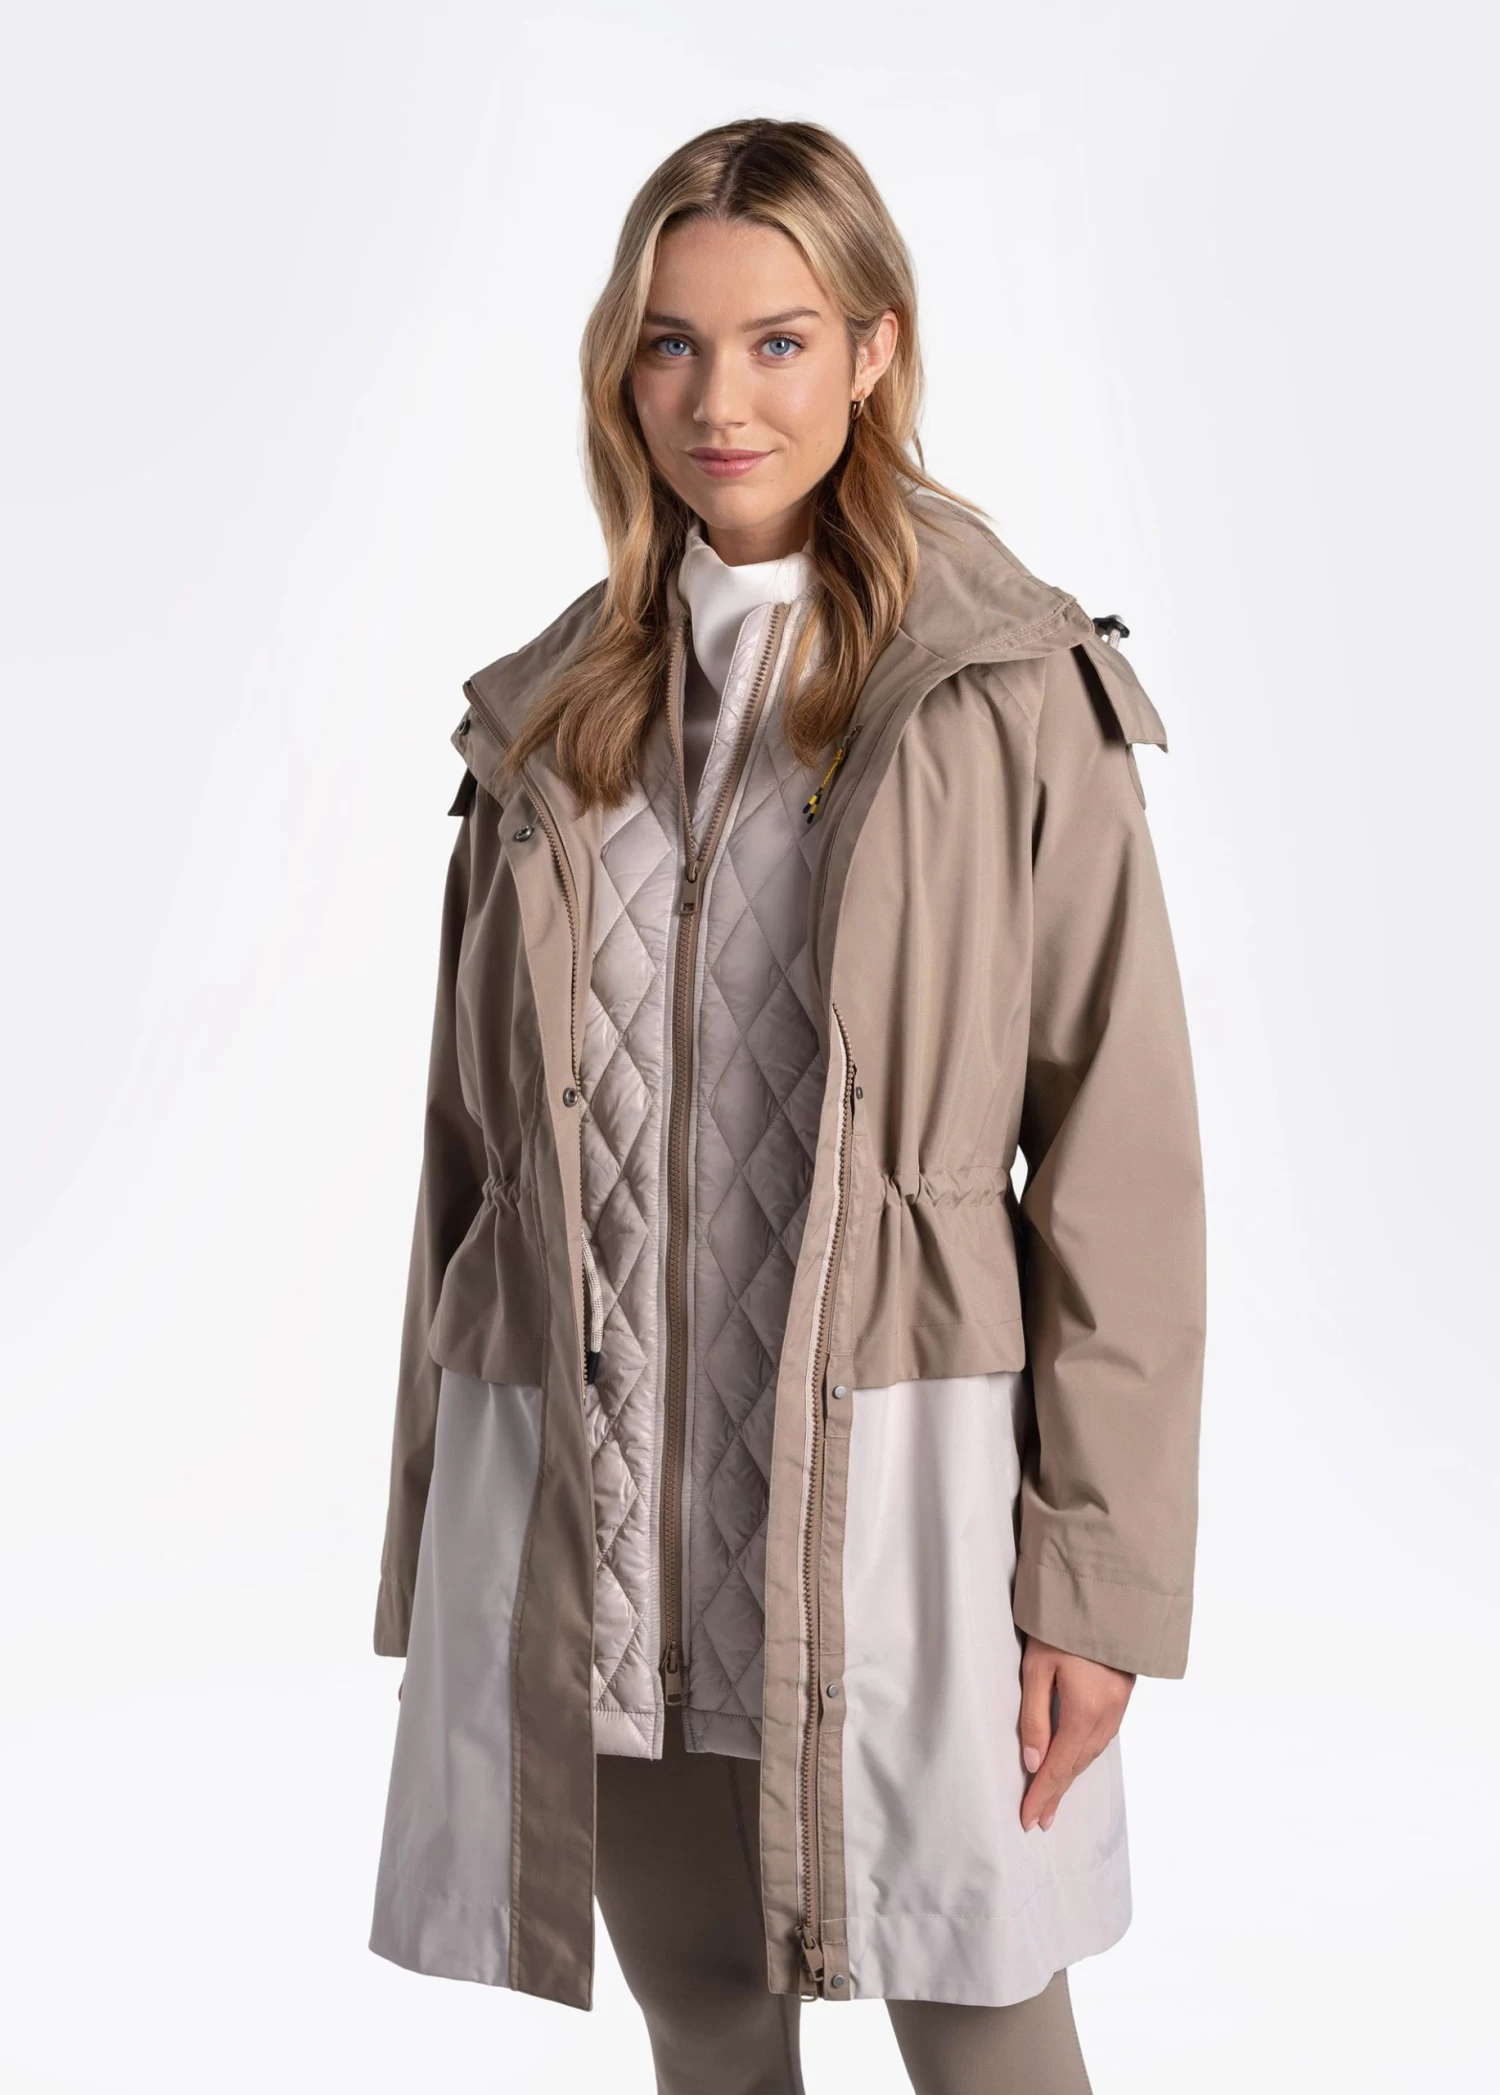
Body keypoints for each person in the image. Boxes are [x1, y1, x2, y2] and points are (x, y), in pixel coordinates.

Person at [367, 116, 1207, 2095]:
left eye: (777, 341)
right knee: (708, 2039)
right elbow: (471, 1170)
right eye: (671, 343)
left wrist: (1098, 1581)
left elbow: (1122, 1155)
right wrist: (432, 1538)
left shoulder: (1005, 690)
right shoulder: (548, 721)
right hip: (608, 1515)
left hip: (914, 1501)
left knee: (990, 2037)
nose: (718, 400)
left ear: (874, 350)